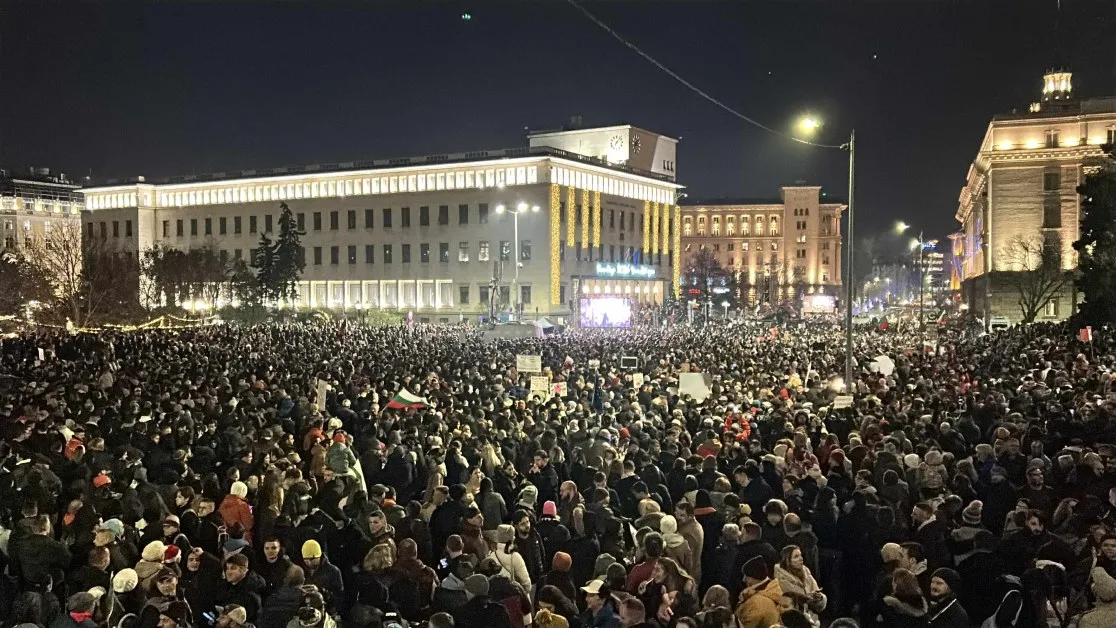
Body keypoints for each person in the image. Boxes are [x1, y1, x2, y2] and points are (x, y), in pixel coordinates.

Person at [773, 545, 825, 624]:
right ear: (787, 560)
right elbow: (795, 600)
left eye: (800, 555)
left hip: (811, 618)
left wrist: (820, 598)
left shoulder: (806, 571)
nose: (801, 558)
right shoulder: (781, 578)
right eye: (796, 556)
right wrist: (809, 599)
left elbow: (815, 591)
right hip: (794, 620)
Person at [734, 557, 782, 628]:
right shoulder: (775, 589)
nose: (744, 580)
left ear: (753, 577)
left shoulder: (756, 601)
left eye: (746, 576)